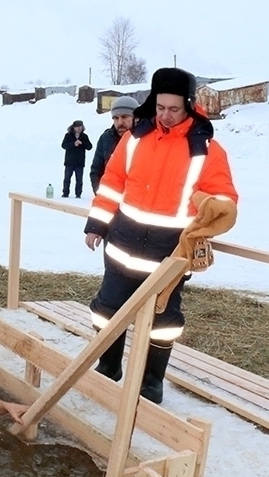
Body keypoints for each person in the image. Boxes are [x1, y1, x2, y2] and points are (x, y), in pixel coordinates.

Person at [84, 67, 238, 404]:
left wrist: (212, 206)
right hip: (123, 241)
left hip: (169, 251)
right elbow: (112, 183)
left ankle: (151, 381)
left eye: (174, 109)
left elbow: (225, 197)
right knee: (106, 310)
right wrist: (97, 223)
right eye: (160, 108)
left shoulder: (207, 149)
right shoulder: (135, 138)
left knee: (162, 321)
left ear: (189, 105)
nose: (166, 116)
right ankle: (109, 366)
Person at [89, 96, 138, 194]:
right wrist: (101, 195)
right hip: (110, 203)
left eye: (125, 117)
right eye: (116, 118)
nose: (120, 122)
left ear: (136, 118)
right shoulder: (106, 138)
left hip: (137, 204)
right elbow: (96, 171)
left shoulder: (146, 139)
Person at [60, 120, 92, 198]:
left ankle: (78, 194)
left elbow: (89, 147)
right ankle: (65, 193)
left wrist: (82, 143)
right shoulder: (68, 135)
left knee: (79, 180)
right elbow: (64, 145)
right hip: (69, 161)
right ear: (73, 127)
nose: (79, 128)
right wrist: (73, 144)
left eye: (80, 126)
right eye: (77, 127)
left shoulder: (84, 136)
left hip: (79, 162)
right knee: (67, 178)